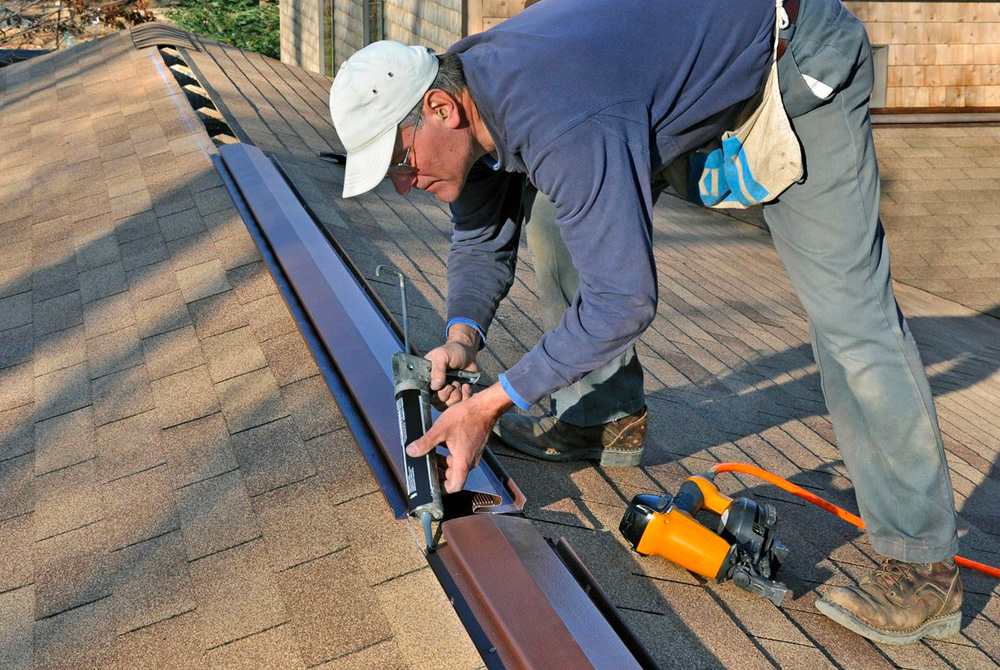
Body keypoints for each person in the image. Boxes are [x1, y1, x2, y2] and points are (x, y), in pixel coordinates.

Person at [328, 0, 962, 645]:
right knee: (558, 218)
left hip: (791, 58)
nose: (403, 184)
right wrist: (461, 340)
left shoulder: (560, 115)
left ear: (441, 108)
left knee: (850, 319)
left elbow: (623, 301)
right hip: (646, 87)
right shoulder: (473, 85)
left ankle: (925, 568)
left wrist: (491, 403)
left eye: (401, 161)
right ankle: (603, 416)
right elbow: (480, 235)